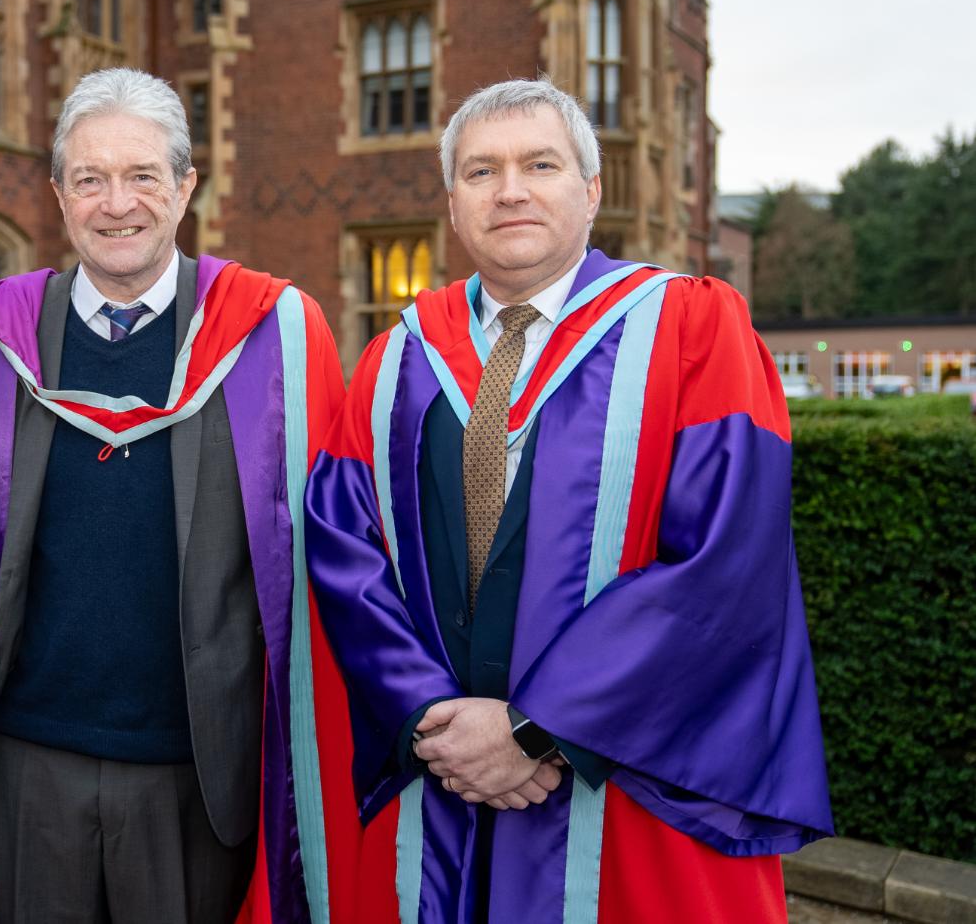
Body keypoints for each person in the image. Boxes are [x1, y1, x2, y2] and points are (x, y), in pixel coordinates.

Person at [304, 79, 832, 923]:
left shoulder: (693, 329)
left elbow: (726, 558)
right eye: (481, 172)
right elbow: (341, 549)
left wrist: (536, 729)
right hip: (439, 782)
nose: (509, 189)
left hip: (624, 783)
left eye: (539, 164)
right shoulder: (395, 360)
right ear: (452, 204)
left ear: (591, 192)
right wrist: (430, 715)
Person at [0, 68, 360, 924]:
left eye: (141, 177)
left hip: (199, 771)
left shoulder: (272, 332)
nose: (115, 203)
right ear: (58, 194)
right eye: (90, 179)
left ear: (185, 187)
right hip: (27, 761)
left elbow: (335, 543)